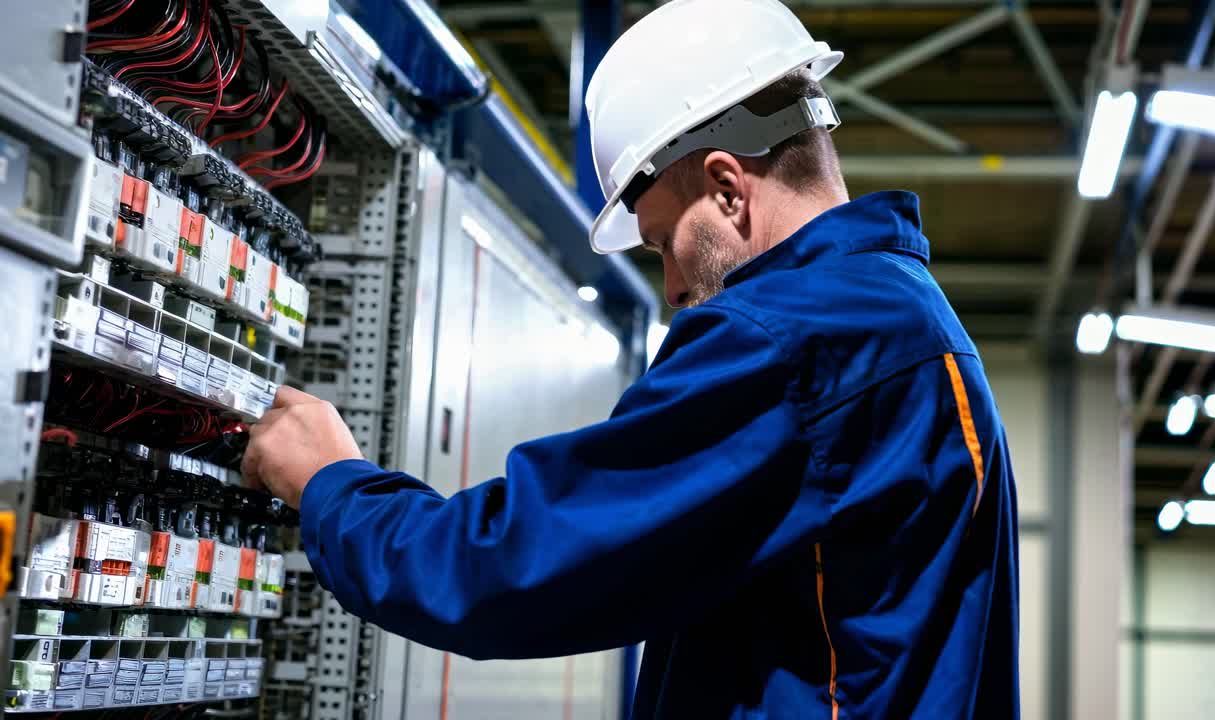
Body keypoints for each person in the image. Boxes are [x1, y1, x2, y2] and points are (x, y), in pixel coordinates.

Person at [242, 0, 1020, 717]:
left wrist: (332, 487)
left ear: (726, 188)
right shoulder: (912, 320)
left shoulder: (793, 339)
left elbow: (511, 569)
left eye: (662, 246)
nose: (675, 286)